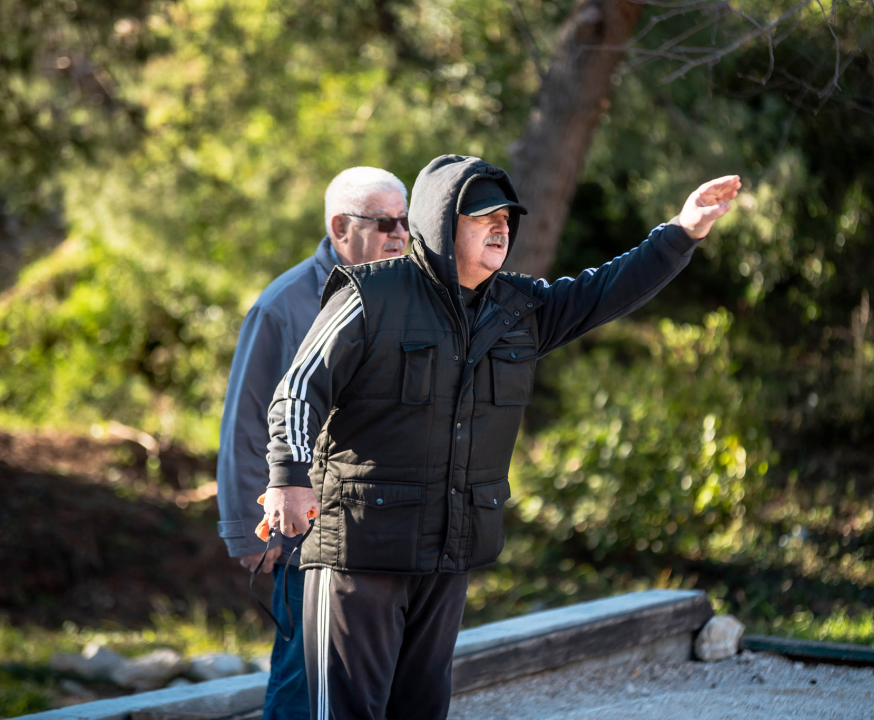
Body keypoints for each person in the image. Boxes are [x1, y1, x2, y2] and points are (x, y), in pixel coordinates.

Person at [262, 154, 741, 720]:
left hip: (447, 554)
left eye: (507, 218)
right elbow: (297, 390)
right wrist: (288, 480)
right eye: (483, 216)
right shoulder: (370, 294)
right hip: (359, 552)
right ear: (442, 224)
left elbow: (604, 290)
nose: (500, 227)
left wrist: (681, 232)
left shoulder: (519, 307)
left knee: (420, 709)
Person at [216, 166, 411, 720]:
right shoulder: (282, 307)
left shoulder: (407, 289)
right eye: (384, 223)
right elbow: (247, 424)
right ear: (339, 227)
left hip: (380, 528)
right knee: (304, 679)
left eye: (405, 221)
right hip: (306, 534)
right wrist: (247, 531)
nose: (399, 233)